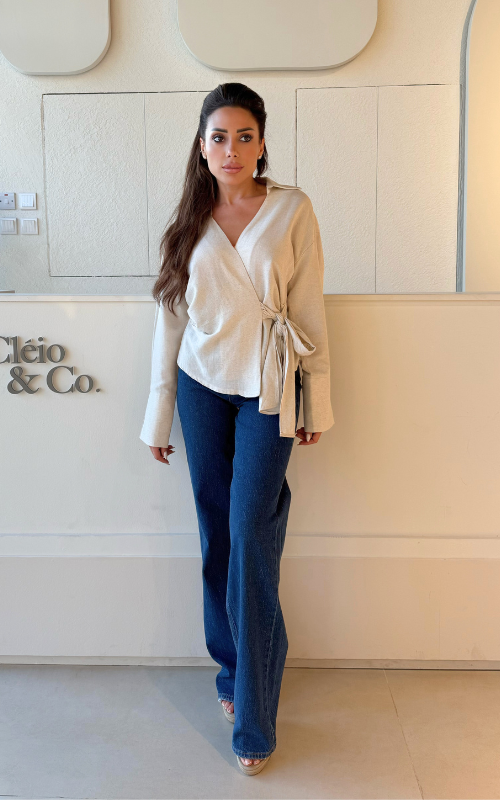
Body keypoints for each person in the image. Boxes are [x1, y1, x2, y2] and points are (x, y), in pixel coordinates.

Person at [139, 82, 334, 776]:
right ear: (202, 146)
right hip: (200, 387)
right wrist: (158, 415)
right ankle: (232, 667)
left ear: (261, 143)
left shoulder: (291, 209)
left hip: (270, 388)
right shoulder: (188, 221)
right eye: (219, 137)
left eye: (244, 136)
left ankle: (254, 717)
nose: (231, 149)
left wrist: (315, 403)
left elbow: (308, 310)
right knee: (216, 532)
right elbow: (170, 325)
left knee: (251, 531)